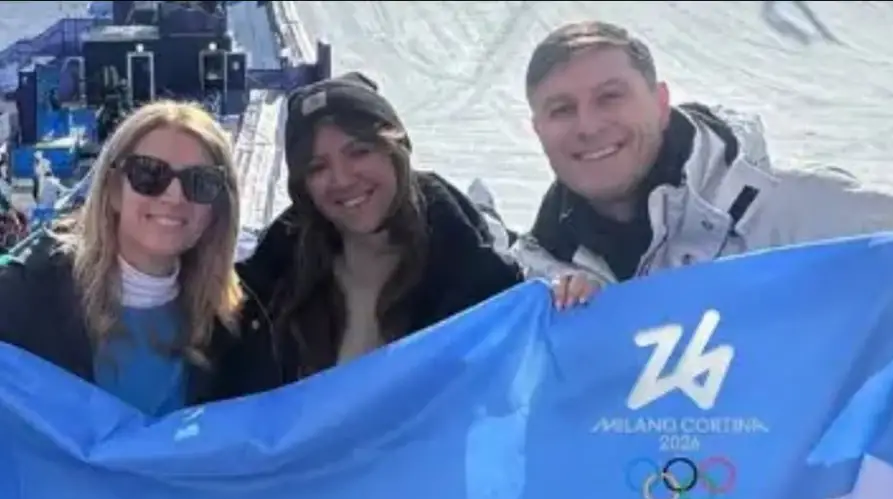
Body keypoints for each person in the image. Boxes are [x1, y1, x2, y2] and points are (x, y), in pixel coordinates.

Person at [512, 20, 893, 298]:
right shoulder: (539, 283)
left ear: (661, 103)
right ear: (539, 130)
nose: (588, 125)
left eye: (610, 97)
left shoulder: (798, 216)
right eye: (561, 109)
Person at [213, 72, 527, 399]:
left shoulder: (471, 275)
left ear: (395, 149)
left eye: (359, 152)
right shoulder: (276, 280)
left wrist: (573, 300)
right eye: (318, 167)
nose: (342, 179)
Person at [0, 100, 244, 417]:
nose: (174, 197)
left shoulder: (229, 325)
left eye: (201, 181)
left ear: (218, 208)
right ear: (113, 188)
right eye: (149, 174)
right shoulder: (26, 297)